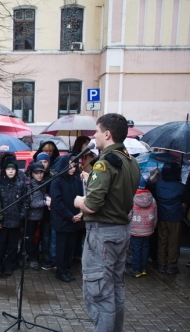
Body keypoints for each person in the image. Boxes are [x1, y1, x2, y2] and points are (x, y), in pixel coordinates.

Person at [74, 113, 140, 332]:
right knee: (115, 290)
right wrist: (91, 177)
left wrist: (79, 201)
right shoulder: (130, 161)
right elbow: (116, 190)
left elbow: (92, 205)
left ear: (107, 134)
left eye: (97, 131)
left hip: (102, 234)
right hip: (121, 231)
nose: (94, 135)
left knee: (99, 293)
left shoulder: (104, 164)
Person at [49, 153, 83, 282]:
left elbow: (81, 198)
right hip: (62, 220)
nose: (73, 168)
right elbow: (56, 202)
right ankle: (61, 270)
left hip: (75, 220)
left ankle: (67, 269)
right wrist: (70, 216)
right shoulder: (57, 181)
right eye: (70, 164)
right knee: (61, 247)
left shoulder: (77, 181)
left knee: (70, 247)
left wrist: (80, 213)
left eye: (75, 165)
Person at [151, 162, 186, 274]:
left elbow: (149, 182)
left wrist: (156, 174)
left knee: (162, 240)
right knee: (174, 242)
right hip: (175, 217)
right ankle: (171, 265)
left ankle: (162, 264)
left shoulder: (159, 185)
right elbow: (184, 203)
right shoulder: (181, 187)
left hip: (162, 216)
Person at [0, 157, 26, 276]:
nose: (11, 171)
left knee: (13, 246)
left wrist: (21, 215)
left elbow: (25, 202)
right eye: (8, 169)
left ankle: (9, 265)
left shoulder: (21, 185)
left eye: (13, 169)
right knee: (0, 246)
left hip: (16, 221)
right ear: (4, 170)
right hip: (2, 220)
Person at [127, 177, 157, 278]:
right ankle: (143, 269)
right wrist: (153, 227)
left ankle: (135, 270)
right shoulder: (152, 199)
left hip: (135, 230)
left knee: (136, 249)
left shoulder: (133, 199)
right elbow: (155, 216)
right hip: (148, 230)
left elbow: (129, 215)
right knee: (145, 248)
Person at [24, 162, 51, 270]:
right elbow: (31, 203)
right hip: (31, 218)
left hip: (40, 217)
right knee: (30, 238)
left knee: (37, 238)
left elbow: (42, 194)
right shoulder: (29, 185)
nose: (39, 175)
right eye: (36, 173)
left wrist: (47, 197)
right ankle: (32, 258)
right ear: (32, 174)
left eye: (41, 173)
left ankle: (33, 256)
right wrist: (45, 202)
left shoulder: (42, 183)